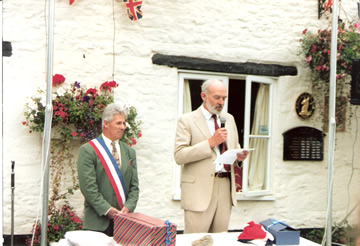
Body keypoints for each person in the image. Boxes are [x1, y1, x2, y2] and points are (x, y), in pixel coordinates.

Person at [174, 79, 249, 234]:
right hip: (198, 191)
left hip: (225, 186)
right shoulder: (187, 120)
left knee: (220, 240)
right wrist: (210, 143)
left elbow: (233, 148)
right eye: (217, 97)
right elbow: (179, 155)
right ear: (203, 96)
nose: (221, 102)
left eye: (224, 98)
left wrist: (239, 158)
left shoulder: (229, 119)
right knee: (196, 242)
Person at [77, 103, 139, 236]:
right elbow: (88, 187)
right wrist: (106, 209)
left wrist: (128, 207)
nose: (123, 127)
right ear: (106, 123)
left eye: (124, 123)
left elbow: (134, 187)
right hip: (97, 223)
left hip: (124, 223)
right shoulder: (88, 150)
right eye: (119, 123)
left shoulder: (129, 152)